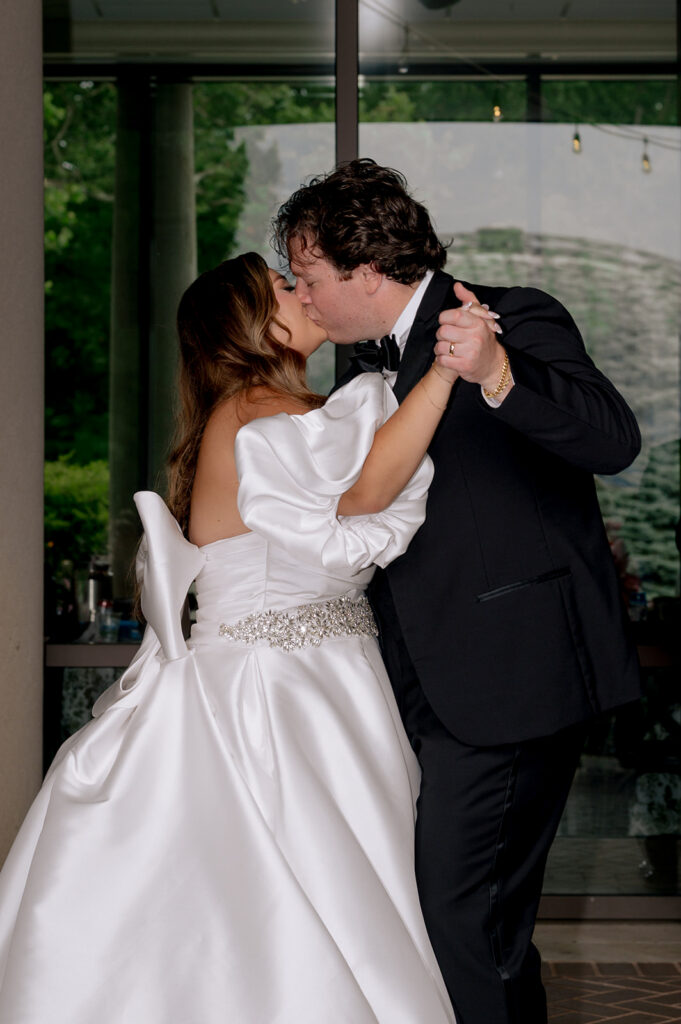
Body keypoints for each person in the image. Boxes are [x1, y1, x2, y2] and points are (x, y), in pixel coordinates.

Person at [0, 252, 461, 1023]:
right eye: (285, 287)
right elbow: (364, 494)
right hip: (274, 692)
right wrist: (444, 374)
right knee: (300, 896)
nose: (304, 292)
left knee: (329, 888)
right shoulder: (255, 411)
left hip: (320, 677)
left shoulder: (269, 409)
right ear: (245, 324)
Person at [272, 158, 642, 1024]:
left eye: (310, 275)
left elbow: (612, 440)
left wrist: (498, 370)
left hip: (512, 676)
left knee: (460, 912)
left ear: (363, 270)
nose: (302, 292)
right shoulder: (366, 365)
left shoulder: (510, 316)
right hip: (415, 687)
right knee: (475, 918)